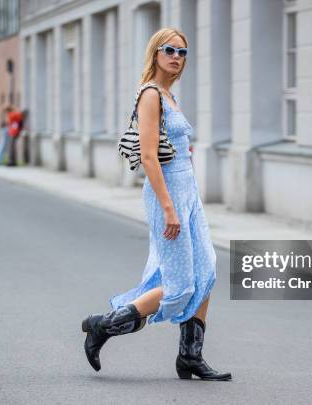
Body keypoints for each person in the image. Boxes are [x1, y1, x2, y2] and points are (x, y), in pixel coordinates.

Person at [81, 28, 232, 381]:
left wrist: (185, 200)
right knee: (179, 285)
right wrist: (168, 207)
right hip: (168, 195)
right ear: (155, 53)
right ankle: (103, 326)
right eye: (170, 50)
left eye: (183, 52)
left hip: (187, 193)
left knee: (206, 271)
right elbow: (149, 157)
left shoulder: (169, 95)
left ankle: (190, 357)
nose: (177, 57)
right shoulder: (151, 94)